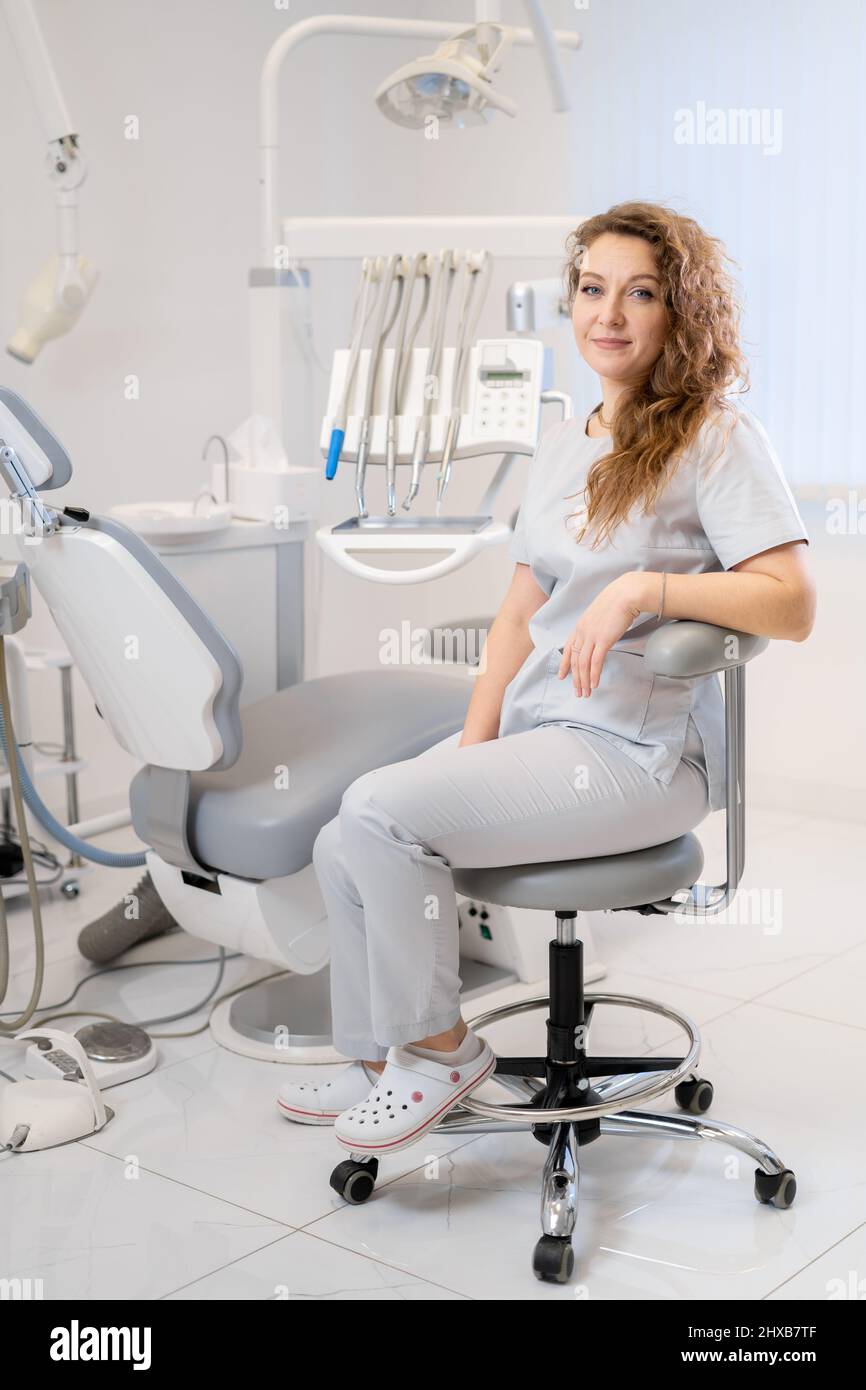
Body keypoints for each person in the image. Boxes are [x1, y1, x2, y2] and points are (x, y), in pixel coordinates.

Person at [278, 201, 816, 1157]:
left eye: (641, 293)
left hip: (638, 752)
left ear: (677, 312)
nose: (609, 313)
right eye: (592, 288)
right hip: (543, 732)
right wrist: (474, 747)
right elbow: (518, 615)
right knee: (341, 834)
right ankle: (379, 1059)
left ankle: (442, 1053)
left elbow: (791, 604)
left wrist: (647, 592)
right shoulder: (566, 440)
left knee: (375, 813)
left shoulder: (716, 439)